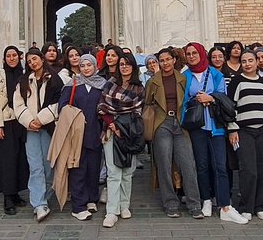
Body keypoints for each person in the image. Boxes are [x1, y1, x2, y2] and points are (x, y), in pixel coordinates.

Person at [143, 47, 203, 218]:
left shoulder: (183, 79)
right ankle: (170, 203)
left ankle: (194, 203)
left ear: (174, 60)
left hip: (180, 123)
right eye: (162, 60)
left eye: (168, 59)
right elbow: (147, 102)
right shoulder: (153, 81)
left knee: (187, 164)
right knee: (164, 163)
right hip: (162, 123)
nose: (165, 63)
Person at [182, 42, 238, 221]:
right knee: (202, 165)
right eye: (188, 54)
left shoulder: (215, 74)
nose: (191, 56)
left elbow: (223, 96)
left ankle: (224, 204)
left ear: (201, 54)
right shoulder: (185, 76)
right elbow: (183, 101)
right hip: (197, 127)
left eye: (194, 53)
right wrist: (194, 99)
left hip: (216, 127)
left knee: (220, 166)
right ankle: (206, 199)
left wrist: (210, 98)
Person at [227, 49, 263, 221]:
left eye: (251, 60)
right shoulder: (237, 81)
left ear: (257, 62)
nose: (248, 64)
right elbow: (230, 107)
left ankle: (261, 205)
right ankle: (246, 206)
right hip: (244, 130)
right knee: (249, 169)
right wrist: (232, 129)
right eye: (244, 61)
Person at [14, 48, 62, 221]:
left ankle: (45, 196)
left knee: (48, 165)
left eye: (34, 59)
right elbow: (18, 104)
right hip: (31, 130)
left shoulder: (55, 80)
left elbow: (59, 103)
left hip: (48, 128)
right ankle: (39, 203)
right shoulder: (24, 81)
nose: (32, 63)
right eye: (29, 61)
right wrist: (29, 121)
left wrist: (41, 119)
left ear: (42, 59)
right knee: (35, 166)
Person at [98, 51, 144, 228]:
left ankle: (124, 205)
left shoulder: (139, 88)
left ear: (133, 66)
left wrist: (125, 129)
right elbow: (102, 106)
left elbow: (138, 111)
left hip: (130, 132)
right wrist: (113, 125)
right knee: (113, 170)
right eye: (121, 64)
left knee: (128, 171)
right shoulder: (110, 84)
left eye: (127, 64)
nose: (124, 67)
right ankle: (111, 211)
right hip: (111, 131)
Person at [58, 55, 107, 219]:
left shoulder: (102, 85)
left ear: (95, 66)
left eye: (89, 65)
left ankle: (92, 198)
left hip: (95, 133)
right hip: (76, 135)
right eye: (82, 65)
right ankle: (78, 206)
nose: (86, 68)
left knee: (93, 169)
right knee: (78, 169)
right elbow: (62, 106)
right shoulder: (72, 84)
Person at [0, 46, 29, 215]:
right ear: (4, 59)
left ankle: (17, 192)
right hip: (6, 122)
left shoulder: (25, 75)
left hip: (22, 122)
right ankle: (7, 196)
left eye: (14, 55)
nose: (12, 58)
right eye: (8, 56)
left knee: (21, 158)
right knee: (7, 160)